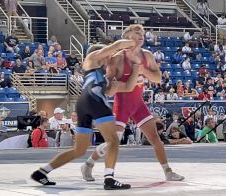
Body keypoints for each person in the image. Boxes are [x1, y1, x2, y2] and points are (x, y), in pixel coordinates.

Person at [31, 39, 140, 190]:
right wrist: (132, 42)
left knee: (79, 150)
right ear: (102, 53)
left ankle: (42, 172)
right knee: (113, 140)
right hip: (94, 100)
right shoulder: (92, 59)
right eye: (108, 55)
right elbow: (114, 47)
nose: (110, 58)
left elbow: (127, 87)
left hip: (83, 104)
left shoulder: (103, 77)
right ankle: (109, 179)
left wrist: (137, 68)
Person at [81, 24, 184, 182]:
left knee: (155, 137)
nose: (141, 35)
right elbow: (109, 88)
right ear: (127, 38)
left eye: (142, 32)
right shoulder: (117, 59)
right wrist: (116, 86)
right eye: (137, 33)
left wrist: (144, 71)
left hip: (138, 103)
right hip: (122, 104)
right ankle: (89, 164)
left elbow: (158, 78)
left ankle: (168, 171)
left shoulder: (147, 55)